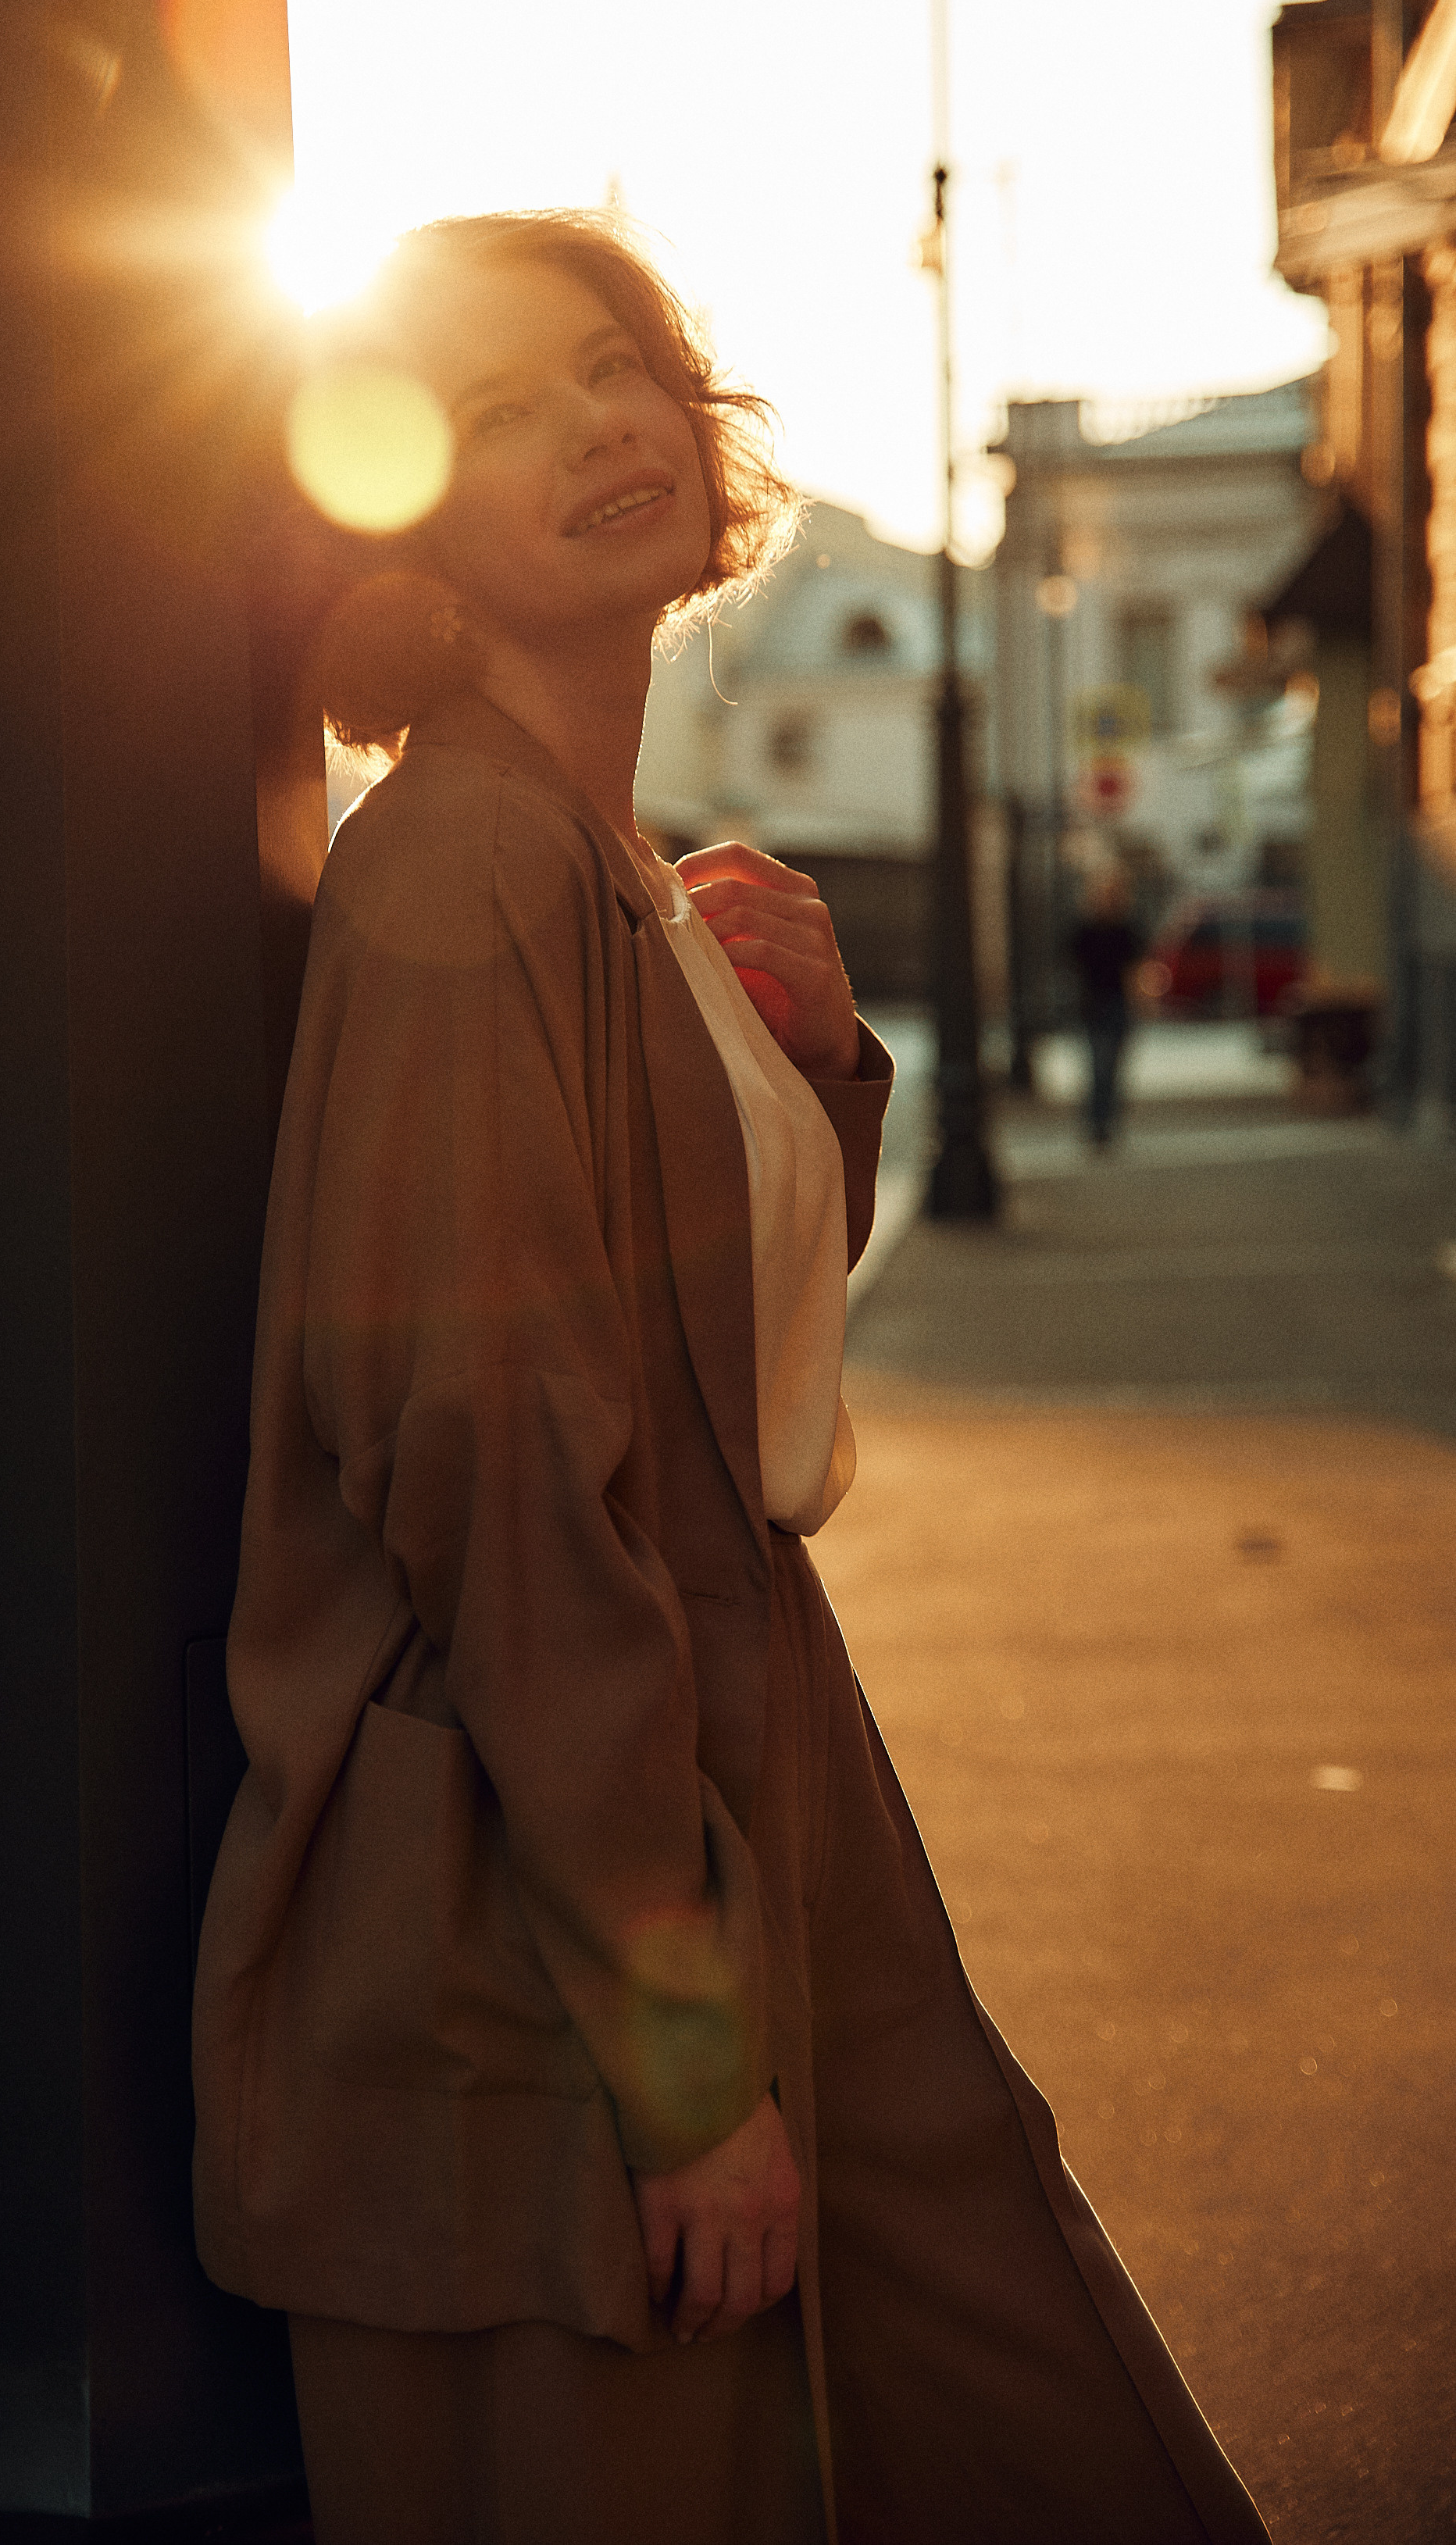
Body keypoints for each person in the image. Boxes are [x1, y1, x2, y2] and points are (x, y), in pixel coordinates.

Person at [191, 210, 1269, 2545]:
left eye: (613, 366)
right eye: (491, 412)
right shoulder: (457, 868)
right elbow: (499, 1483)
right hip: (555, 1919)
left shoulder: (609, 864)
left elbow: (726, 1369)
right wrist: (686, 2074)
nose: (596, 424)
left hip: (761, 1815)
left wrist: (819, 1062)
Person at [1068, 865, 1144, 1148]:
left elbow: (1133, 971)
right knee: (1098, 1067)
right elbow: (1075, 966)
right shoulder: (1086, 930)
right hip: (1095, 1005)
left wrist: (1138, 1002)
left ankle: (1107, 1121)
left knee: (1113, 1067)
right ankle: (1098, 1124)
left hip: (1117, 1003)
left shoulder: (1125, 930)